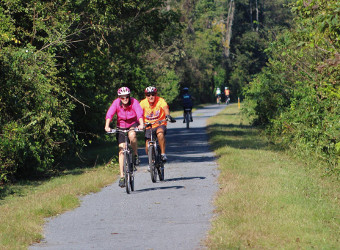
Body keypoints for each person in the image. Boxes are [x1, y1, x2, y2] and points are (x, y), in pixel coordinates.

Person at [105, 87, 144, 188]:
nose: (125, 99)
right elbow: (110, 114)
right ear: (119, 98)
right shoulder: (116, 103)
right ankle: (122, 176)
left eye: (127, 96)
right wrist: (107, 126)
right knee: (122, 149)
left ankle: (135, 155)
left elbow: (139, 113)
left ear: (129, 96)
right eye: (122, 97)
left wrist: (141, 124)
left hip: (132, 124)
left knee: (132, 136)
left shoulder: (134, 102)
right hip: (121, 126)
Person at [140, 86, 176, 169]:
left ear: (156, 94)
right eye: (148, 95)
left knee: (160, 133)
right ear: (146, 96)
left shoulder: (160, 100)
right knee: (147, 145)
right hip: (148, 125)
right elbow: (138, 113)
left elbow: (165, 108)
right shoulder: (142, 103)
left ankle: (163, 154)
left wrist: (167, 115)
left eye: (153, 94)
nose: (151, 96)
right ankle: (151, 162)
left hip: (160, 123)